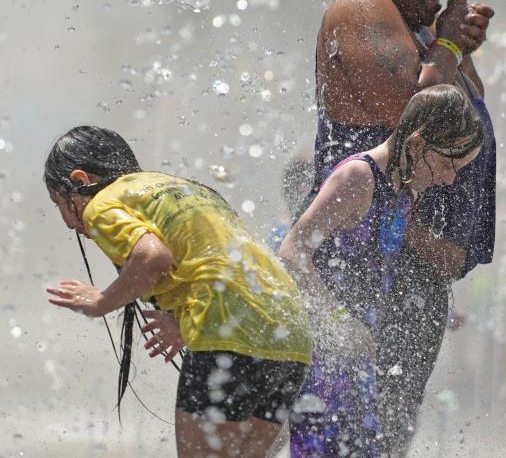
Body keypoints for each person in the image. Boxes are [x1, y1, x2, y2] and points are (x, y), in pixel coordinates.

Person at [311, 0, 497, 453]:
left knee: (387, 435)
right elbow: (414, 112)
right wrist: (445, 43)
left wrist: (453, 48)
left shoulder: (413, 30)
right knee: (350, 430)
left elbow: (463, 113)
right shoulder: (363, 6)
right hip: (369, 266)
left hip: (412, 266)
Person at [43, 125, 312, 458]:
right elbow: (217, 263)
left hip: (229, 329)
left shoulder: (102, 202)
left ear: (80, 180)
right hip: (291, 334)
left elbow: (153, 256)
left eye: (60, 203)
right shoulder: (185, 188)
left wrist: (101, 302)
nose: (70, 224)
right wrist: (182, 321)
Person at [279, 85, 484, 457]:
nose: (450, 179)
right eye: (448, 164)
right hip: (319, 355)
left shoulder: (403, 190)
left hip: (358, 360)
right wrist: (339, 322)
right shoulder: (358, 177)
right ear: (419, 144)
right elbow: (292, 252)